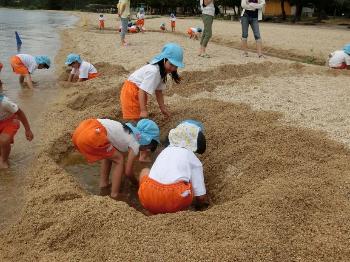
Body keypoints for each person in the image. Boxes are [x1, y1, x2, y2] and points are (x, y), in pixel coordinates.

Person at [72, 118, 160, 200]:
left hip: (82, 130)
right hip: (94, 134)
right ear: (147, 141)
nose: (147, 150)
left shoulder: (125, 131)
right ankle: (115, 194)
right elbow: (128, 172)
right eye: (150, 147)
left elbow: (108, 154)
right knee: (119, 159)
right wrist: (136, 184)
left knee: (108, 156)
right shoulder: (135, 144)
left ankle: (104, 185)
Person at [138, 120, 209, 214]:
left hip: (148, 196)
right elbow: (201, 196)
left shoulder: (165, 151)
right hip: (175, 200)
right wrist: (200, 205)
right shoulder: (192, 158)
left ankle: (149, 208)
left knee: (145, 171)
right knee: (191, 182)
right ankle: (180, 213)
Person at [120, 43, 184, 122]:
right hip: (131, 92)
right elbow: (142, 91)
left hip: (138, 92)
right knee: (134, 119)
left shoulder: (162, 72)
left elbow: (159, 92)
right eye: (171, 64)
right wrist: (143, 110)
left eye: (176, 66)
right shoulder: (154, 71)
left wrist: (163, 108)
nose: (173, 69)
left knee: (138, 117)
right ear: (164, 59)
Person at [0, 95, 33, 169]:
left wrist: (28, 130)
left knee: (3, 140)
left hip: (10, 121)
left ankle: (4, 161)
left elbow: (20, 113)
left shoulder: (5, 103)